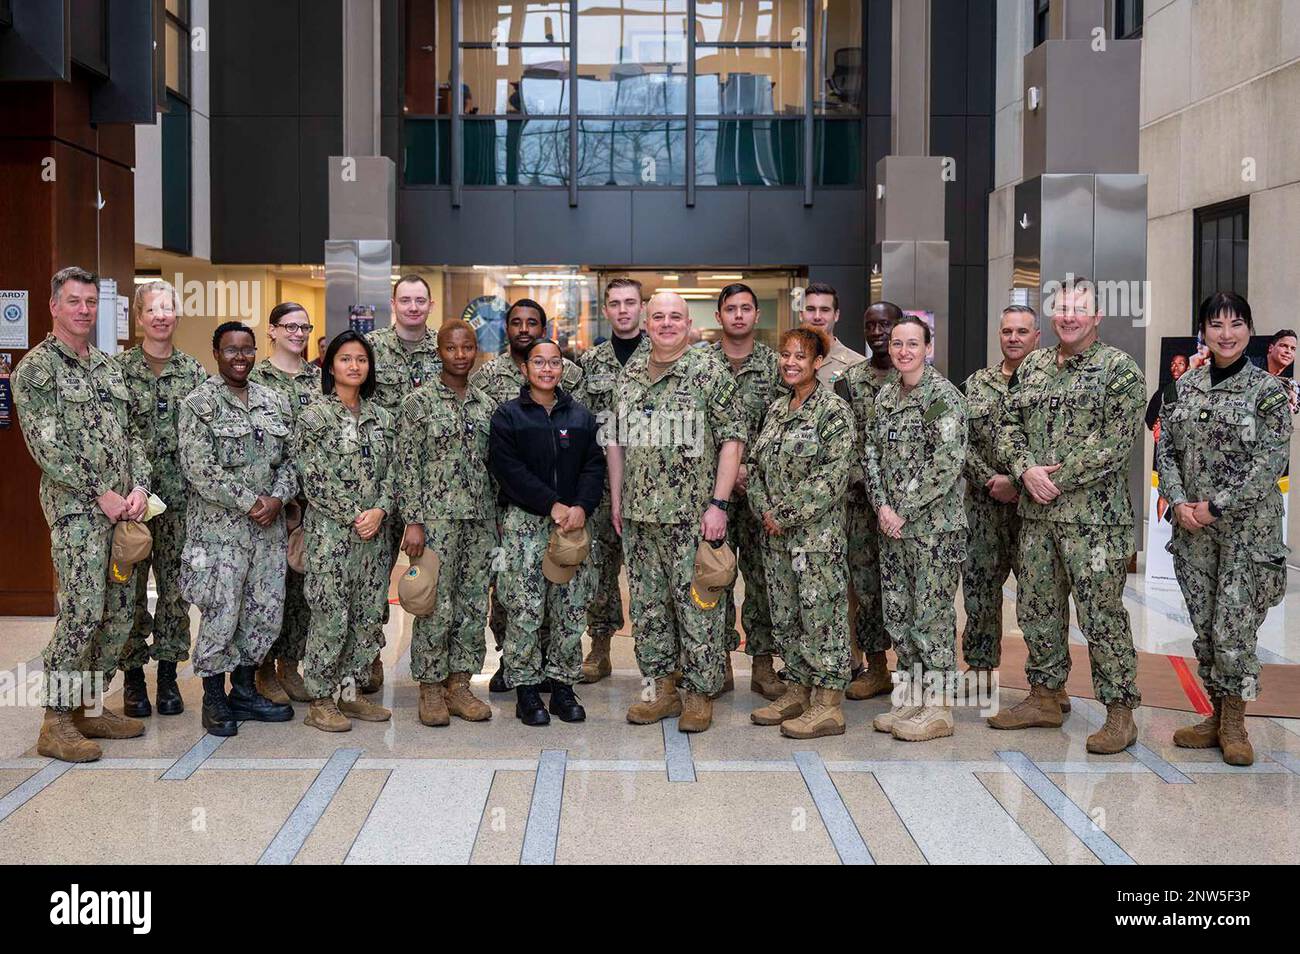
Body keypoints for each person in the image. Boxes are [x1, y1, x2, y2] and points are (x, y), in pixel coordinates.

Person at [991, 276, 1145, 753]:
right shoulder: (1033, 367)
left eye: (1080, 307)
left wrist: (1051, 478)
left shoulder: (1120, 371)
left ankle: (1120, 712)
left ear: (1098, 316)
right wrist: (1023, 469)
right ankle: (1045, 694)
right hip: (1038, 521)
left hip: (1094, 522)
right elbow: (1007, 425)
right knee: (1038, 609)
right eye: (1062, 308)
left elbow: (1116, 443)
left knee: (1102, 615)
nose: (1069, 315)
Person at [12, 267, 151, 762]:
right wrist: (101, 493)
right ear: (53, 306)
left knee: (118, 613)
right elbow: (45, 447)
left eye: (90, 302)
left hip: (123, 514)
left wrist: (138, 486)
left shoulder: (108, 368)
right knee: (82, 611)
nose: (84, 310)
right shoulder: (36, 370)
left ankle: (87, 704)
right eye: (74, 301)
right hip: (77, 514)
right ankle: (55, 720)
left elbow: (134, 432)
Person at [1157, 293, 1292, 766]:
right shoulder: (1182, 387)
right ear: (1203, 332)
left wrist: (1215, 506)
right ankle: (1215, 715)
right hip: (1193, 531)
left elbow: (1271, 460)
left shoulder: (1269, 391)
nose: (1226, 333)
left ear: (1250, 331)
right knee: (1205, 628)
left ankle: (1235, 722)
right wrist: (1178, 502)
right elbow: (1165, 451)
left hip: (1246, 534)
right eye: (1216, 325)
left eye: (1236, 324)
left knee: (1234, 629)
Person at [608, 291, 746, 733]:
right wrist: (616, 499)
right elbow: (615, 441)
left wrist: (719, 504)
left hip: (693, 516)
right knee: (648, 609)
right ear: (646, 322)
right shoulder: (629, 373)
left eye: (675, 317)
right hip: (639, 515)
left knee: (698, 605)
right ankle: (660, 689)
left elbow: (733, 440)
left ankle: (700, 693)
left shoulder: (709, 370)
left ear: (689, 323)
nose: (666, 323)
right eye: (658, 317)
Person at [179, 322, 297, 737]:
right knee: (221, 610)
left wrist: (278, 499)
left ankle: (244, 690)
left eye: (247, 349)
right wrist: (252, 502)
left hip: (267, 532)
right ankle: (214, 698)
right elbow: (199, 470)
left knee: (264, 610)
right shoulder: (198, 403)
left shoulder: (274, 401)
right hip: (219, 535)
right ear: (216, 352)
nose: (240, 357)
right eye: (231, 350)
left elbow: (292, 460)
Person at [489, 339, 606, 725]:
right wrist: (550, 504)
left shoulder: (581, 416)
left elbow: (593, 466)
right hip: (526, 522)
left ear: (562, 369)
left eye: (554, 362)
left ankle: (561, 685)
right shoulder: (508, 416)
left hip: (572, 524)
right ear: (525, 369)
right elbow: (508, 469)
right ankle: (525, 688)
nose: (546, 369)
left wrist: (580, 508)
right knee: (524, 607)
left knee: (570, 608)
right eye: (538, 362)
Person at [747, 327, 855, 737]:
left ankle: (827, 704)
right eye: (785, 355)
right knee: (787, 617)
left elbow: (832, 476)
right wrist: (764, 510)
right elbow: (755, 467)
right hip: (775, 540)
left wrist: (785, 513)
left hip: (815, 541)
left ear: (817, 363)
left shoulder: (833, 412)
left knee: (821, 618)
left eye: (800, 356)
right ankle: (797, 690)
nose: (790, 362)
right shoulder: (776, 410)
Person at [471, 298, 584, 692]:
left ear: (543, 327)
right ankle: (515, 663)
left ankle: (552, 668)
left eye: (531, 323)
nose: (524, 329)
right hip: (509, 506)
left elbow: (585, 445)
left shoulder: (569, 376)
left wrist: (577, 504)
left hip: (564, 510)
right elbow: (497, 452)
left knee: (558, 593)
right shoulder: (487, 378)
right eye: (516, 322)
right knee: (512, 595)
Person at [865, 315, 968, 741]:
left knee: (932, 616)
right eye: (896, 344)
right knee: (900, 614)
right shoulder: (886, 394)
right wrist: (883, 505)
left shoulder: (943, 397)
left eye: (912, 344)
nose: (903, 351)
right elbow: (869, 451)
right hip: (892, 528)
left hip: (932, 531)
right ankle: (911, 698)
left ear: (928, 347)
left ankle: (939, 707)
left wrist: (901, 508)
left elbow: (946, 462)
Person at [395, 319, 497, 727]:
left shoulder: (486, 404)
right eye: (452, 348)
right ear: (439, 351)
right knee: (434, 602)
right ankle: (431, 687)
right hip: (435, 521)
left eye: (467, 348)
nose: (460, 356)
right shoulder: (417, 404)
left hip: (480, 519)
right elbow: (407, 466)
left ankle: (460, 684)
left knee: (473, 603)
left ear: (476, 351)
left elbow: (495, 466)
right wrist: (414, 522)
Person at [293, 331, 396, 731]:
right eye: (345, 359)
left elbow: (395, 473)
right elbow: (313, 478)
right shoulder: (314, 417)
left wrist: (381, 510)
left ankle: (350, 695)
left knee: (367, 615)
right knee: (330, 615)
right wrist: (358, 515)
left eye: (361, 360)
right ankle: (320, 699)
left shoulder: (382, 418)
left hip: (375, 538)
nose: (354, 366)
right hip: (331, 537)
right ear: (330, 365)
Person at [113, 280, 206, 719]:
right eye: (152, 310)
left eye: (168, 309)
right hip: (131, 504)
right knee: (129, 591)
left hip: (180, 503)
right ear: (139, 317)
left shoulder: (194, 373)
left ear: (176, 316)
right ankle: (133, 678)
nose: (161, 316)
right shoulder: (116, 372)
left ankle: (167, 676)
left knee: (174, 592)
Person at [363, 274, 444, 693]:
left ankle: (432, 669)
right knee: (372, 573)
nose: (413, 307)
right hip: (375, 477)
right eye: (405, 300)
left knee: (427, 572)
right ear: (393, 304)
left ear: (430, 305)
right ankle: (369, 656)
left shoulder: (444, 350)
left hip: (427, 482)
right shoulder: (372, 349)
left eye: (420, 301)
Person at [959, 305, 1044, 689]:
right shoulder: (977, 383)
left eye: (1022, 331)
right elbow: (959, 440)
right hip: (982, 507)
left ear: (1037, 337)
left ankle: (1048, 683)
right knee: (979, 592)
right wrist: (990, 479)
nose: (1014, 338)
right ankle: (978, 672)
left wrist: (1017, 482)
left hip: (1034, 510)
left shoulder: (1050, 383)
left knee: (1040, 596)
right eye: (1007, 331)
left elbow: (1055, 445)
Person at [708, 282, 782, 699]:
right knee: (712, 578)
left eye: (746, 308)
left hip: (758, 493)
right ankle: (716, 662)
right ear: (718, 316)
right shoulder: (699, 364)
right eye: (730, 309)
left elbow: (782, 428)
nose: (738, 315)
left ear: (757, 316)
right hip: (711, 494)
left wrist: (747, 470)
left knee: (761, 580)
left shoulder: (776, 368)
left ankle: (762, 664)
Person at [248, 302, 321, 705]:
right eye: (289, 326)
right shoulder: (256, 379)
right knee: (268, 587)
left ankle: (290, 665)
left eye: (304, 327)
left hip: (311, 501)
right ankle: (262, 667)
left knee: (303, 587)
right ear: (272, 330)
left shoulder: (317, 380)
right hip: (270, 501)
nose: (297, 333)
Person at [575, 277, 646, 683]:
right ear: (606, 309)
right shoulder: (591, 363)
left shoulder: (665, 356)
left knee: (651, 571)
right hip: (600, 485)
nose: (623, 310)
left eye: (630, 302)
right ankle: (599, 648)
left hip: (656, 485)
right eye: (615, 303)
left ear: (641, 307)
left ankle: (662, 657)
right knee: (599, 569)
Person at [836, 300, 901, 700]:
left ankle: (915, 674)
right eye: (871, 325)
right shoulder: (848, 380)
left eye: (885, 325)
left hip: (910, 508)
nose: (878, 332)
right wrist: (867, 483)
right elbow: (842, 441)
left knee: (910, 589)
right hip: (861, 506)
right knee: (865, 587)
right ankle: (876, 666)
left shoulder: (914, 377)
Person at [801, 281, 865, 385]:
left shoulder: (856, 365)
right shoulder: (786, 363)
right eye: (810, 309)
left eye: (825, 310)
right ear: (801, 314)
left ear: (836, 315)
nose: (817, 316)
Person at [1264, 328, 1298, 414]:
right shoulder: (1250, 366)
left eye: (1293, 348)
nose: (1288, 351)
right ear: (1271, 348)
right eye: (1284, 346)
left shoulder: (1289, 382)